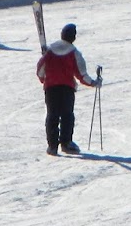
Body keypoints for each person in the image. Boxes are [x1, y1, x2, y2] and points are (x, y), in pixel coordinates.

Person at [38, 22, 100, 155]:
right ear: (73, 37)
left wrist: (44, 79)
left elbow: (40, 70)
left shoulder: (49, 51)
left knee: (52, 115)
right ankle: (66, 143)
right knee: (67, 115)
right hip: (67, 88)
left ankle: (52, 145)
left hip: (51, 88)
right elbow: (81, 74)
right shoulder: (74, 52)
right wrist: (93, 83)